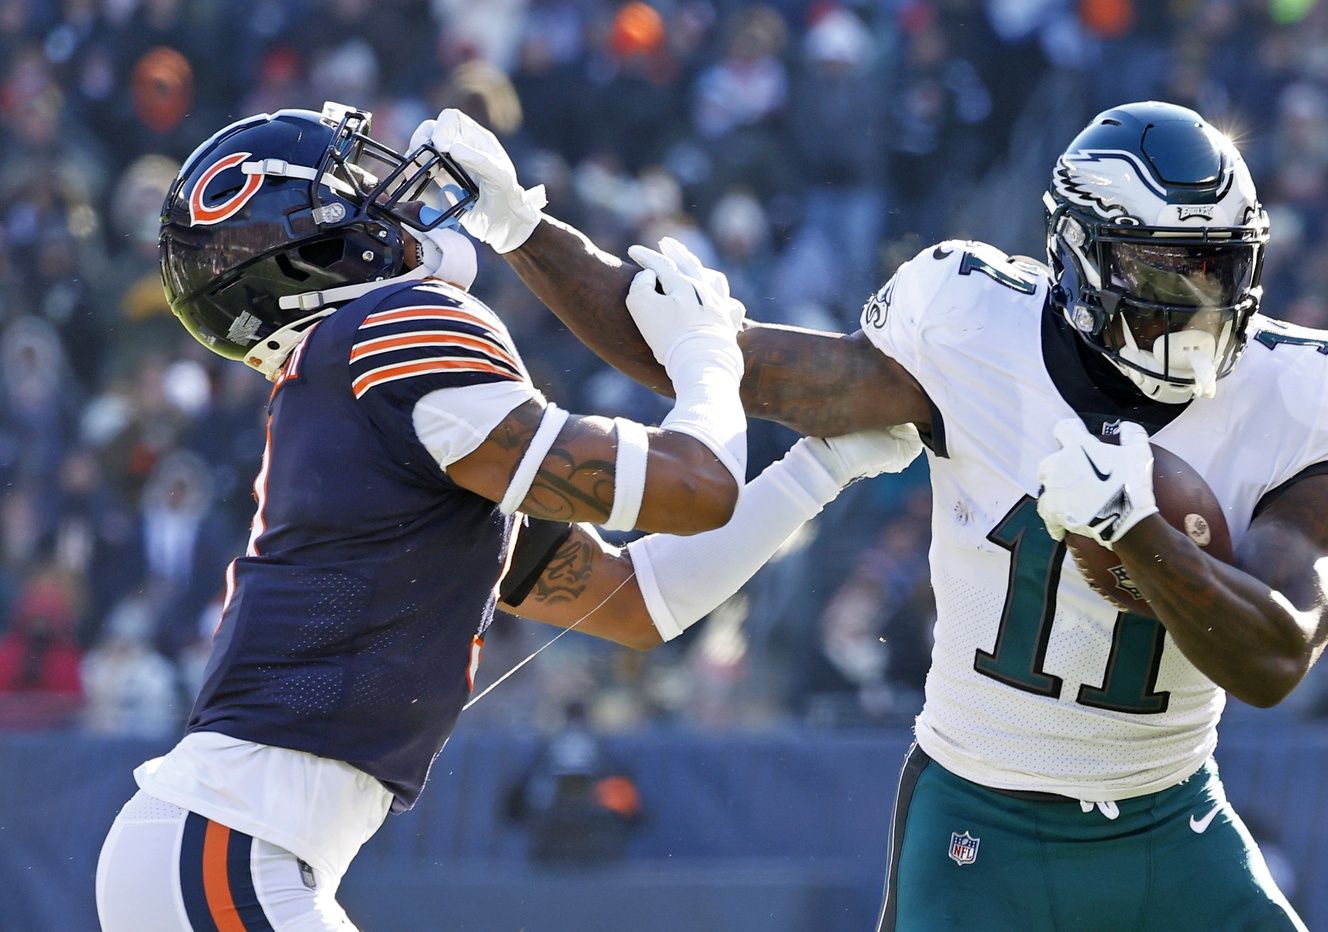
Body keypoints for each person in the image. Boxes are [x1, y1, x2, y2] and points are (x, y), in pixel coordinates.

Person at [443, 99, 1328, 929]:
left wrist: (1131, 530)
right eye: (1161, 274)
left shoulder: (1304, 392)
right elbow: (725, 366)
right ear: (1079, 258)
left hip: (1169, 814)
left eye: (1217, 270)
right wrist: (522, 227)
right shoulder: (971, 325)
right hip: (982, 818)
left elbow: (1274, 660)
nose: (1196, 307)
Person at [94, 102, 921, 930]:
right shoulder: (391, 331)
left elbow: (638, 603)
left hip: (228, 847)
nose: (391, 198)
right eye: (355, 187)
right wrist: (704, 350)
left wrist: (820, 468)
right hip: (231, 850)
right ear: (305, 251)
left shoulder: (360, 393)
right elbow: (695, 487)